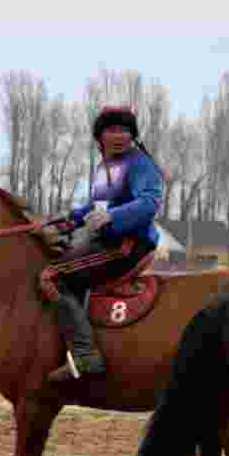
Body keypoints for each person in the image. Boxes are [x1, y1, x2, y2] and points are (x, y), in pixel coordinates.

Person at [41, 106, 163, 380]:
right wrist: (69, 220)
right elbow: (96, 206)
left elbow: (149, 203)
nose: (120, 136)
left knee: (51, 276)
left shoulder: (140, 163)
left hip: (128, 245)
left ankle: (85, 356)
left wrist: (111, 216)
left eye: (125, 130)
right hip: (108, 242)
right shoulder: (105, 167)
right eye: (112, 130)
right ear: (100, 136)